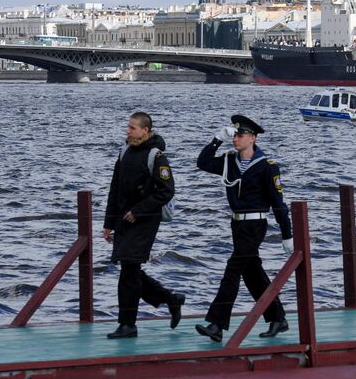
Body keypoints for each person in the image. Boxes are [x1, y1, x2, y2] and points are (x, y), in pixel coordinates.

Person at [194, 114, 293, 343]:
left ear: (253, 138)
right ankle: (277, 317)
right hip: (237, 224)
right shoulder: (230, 161)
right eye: (234, 134)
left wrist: (287, 235)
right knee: (252, 273)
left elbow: (279, 204)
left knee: (233, 268)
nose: (235, 138)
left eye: (240, 135)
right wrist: (217, 140)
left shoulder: (267, 167)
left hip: (255, 224)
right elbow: (203, 163)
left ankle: (217, 324)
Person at [103, 111, 185, 339]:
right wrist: (108, 223)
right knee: (130, 270)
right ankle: (171, 299)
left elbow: (167, 191)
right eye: (128, 127)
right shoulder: (125, 151)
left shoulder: (156, 156)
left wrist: (138, 211)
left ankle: (127, 324)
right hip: (123, 219)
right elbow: (115, 189)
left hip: (144, 221)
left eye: (133, 128)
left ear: (145, 131)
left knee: (129, 269)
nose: (128, 131)